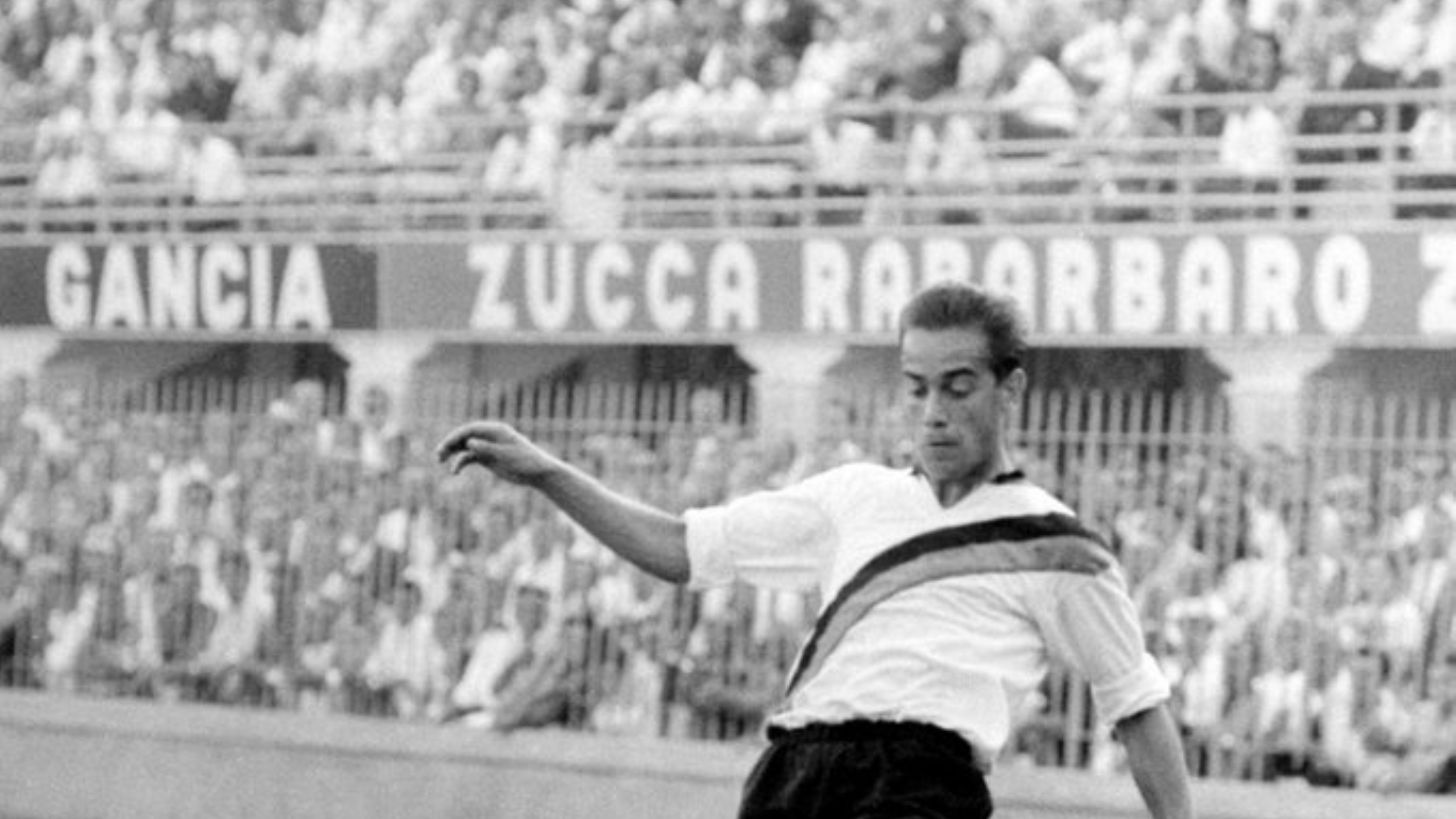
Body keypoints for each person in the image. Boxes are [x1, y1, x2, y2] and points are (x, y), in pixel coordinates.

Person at [437, 282, 1193, 819]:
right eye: (917, 387)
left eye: (958, 387)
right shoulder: (852, 495)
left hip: (920, 781)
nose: (933, 412)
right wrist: (549, 474)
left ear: (1011, 388)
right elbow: (680, 547)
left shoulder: (1058, 544)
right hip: (794, 772)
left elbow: (1137, 706)